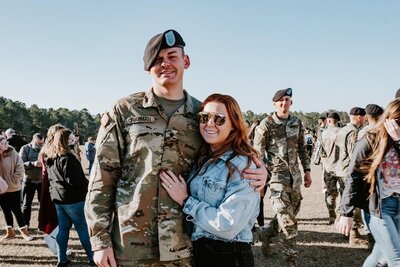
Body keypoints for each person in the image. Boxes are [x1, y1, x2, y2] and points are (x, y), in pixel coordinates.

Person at [85, 29, 267, 267]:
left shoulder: (203, 115)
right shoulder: (125, 110)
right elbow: (102, 176)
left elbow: (234, 150)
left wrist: (263, 172)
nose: (165, 64)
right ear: (148, 67)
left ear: (186, 61)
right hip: (130, 244)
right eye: (158, 60)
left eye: (172, 56)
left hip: (185, 245)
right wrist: (100, 241)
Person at [159, 93, 260, 267]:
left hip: (228, 255)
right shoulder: (204, 159)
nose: (209, 124)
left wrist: (185, 200)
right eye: (205, 117)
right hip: (202, 252)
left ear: (234, 126)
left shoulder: (243, 165)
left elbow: (228, 224)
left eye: (219, 119)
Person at [337, 98, 400, 266]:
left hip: (397, 203)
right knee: (397, 258)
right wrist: (346, 213)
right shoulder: (369, 140)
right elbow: (353, 177)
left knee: (381, 256)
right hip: (379, 208)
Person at [254, 88, 312, 267]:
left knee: (289, 215)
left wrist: (308, 171)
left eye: (287, 100)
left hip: (295, 179)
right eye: (281, 100)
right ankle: (290, 261)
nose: (284, 103)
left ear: (291, 103)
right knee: (288, 223)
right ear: (274, 103)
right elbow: (257, 154)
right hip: (276, 179)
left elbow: (302, 149)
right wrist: (260, 180)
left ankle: (267, 234)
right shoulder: (266, 124)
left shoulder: (297, 122)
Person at [46, 128, 94, 266]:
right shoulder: (68, 158)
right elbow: (75, 181)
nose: (74, 140)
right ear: (65, 140)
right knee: (82, 228)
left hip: (59, 199)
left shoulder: (51, 157)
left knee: (63, 229)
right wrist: (89, 185)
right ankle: (92, 259)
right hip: (73, 199)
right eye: (71, 138)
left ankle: (61, 260)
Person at [335, 107, 366, 245]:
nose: (365, 119)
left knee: (344, 200)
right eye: (364, 117)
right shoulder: (354, 132)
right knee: (353, 202)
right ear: (359, 117)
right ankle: (354, 234)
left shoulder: (342, 130)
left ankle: (343, 230)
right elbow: (355, 155)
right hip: (349, 171)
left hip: (340, 170)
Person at [0, 136, 33, 241]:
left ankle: (24, 232)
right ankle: (10, 231)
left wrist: (14, 179)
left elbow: (20, 167)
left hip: (13, 187)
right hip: (1, 189)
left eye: (6, 142)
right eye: (3, 143)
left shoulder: (12, 153)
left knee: (17, 210)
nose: (6, 144)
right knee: (5, 210)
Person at [320, 112, 341, 224]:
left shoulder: (323, 134)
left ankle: (331, 215)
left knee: (330, 192)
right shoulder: (342, 132)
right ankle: (339, 215)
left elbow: (321, 152)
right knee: (342, 192)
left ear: (328, 121)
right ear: (337, 121)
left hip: (328, 167)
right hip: (341, 167)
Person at [19, 132, 44, 228]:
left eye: (41, 143)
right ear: (33, 140)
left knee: (43, 204)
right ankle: (26, 224)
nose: (40, 145)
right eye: (38, 143)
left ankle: (42, 224)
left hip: (42, 181)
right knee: (26, 204)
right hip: (28, 180)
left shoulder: (45, 149)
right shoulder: (25, 148)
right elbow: (21, 163)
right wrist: (32, 164)